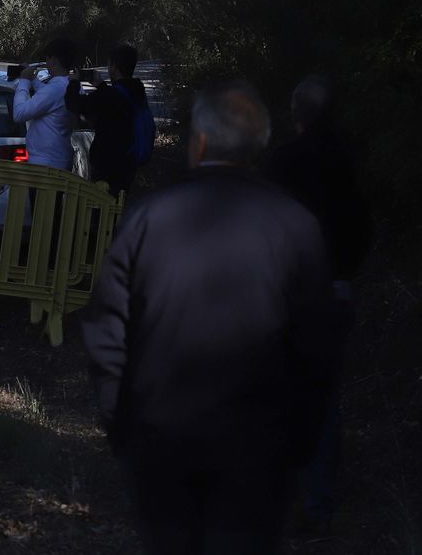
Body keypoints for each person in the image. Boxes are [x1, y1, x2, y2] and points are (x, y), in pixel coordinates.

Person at [83, 81, 336, 554]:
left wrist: (121, 423)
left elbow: (106, 328)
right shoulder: (296, 227)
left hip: (162, 435)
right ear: (260, 147)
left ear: (198, 144)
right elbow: (317, 348)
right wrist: (300, 440)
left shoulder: (149, 218)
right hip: (259, 445)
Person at [265, 75, 370, 534]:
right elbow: (362, 228)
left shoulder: (282, 162)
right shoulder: (349, 161)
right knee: (325, 402)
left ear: (297, 114)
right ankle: (318, 502)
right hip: (335, 289)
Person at [64, 44, 148, 197]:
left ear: (114, 67)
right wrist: (101, 86)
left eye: (109, 64)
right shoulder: (137, 91)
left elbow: (73, 103)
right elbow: (117, 105)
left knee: (101, 211)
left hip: (108, 166)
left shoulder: (110, 96)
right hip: (128, 162)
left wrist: (74, 82)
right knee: (119, 205)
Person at [12, 38, 77, 171]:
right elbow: (50, 99)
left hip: (44, 164)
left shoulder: (54, 89)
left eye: (47, 59)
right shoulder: (71, 86)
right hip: (58, 159)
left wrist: (24, 82)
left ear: (53, 60)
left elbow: (19, 114)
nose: (46, 64)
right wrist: (33, 80)